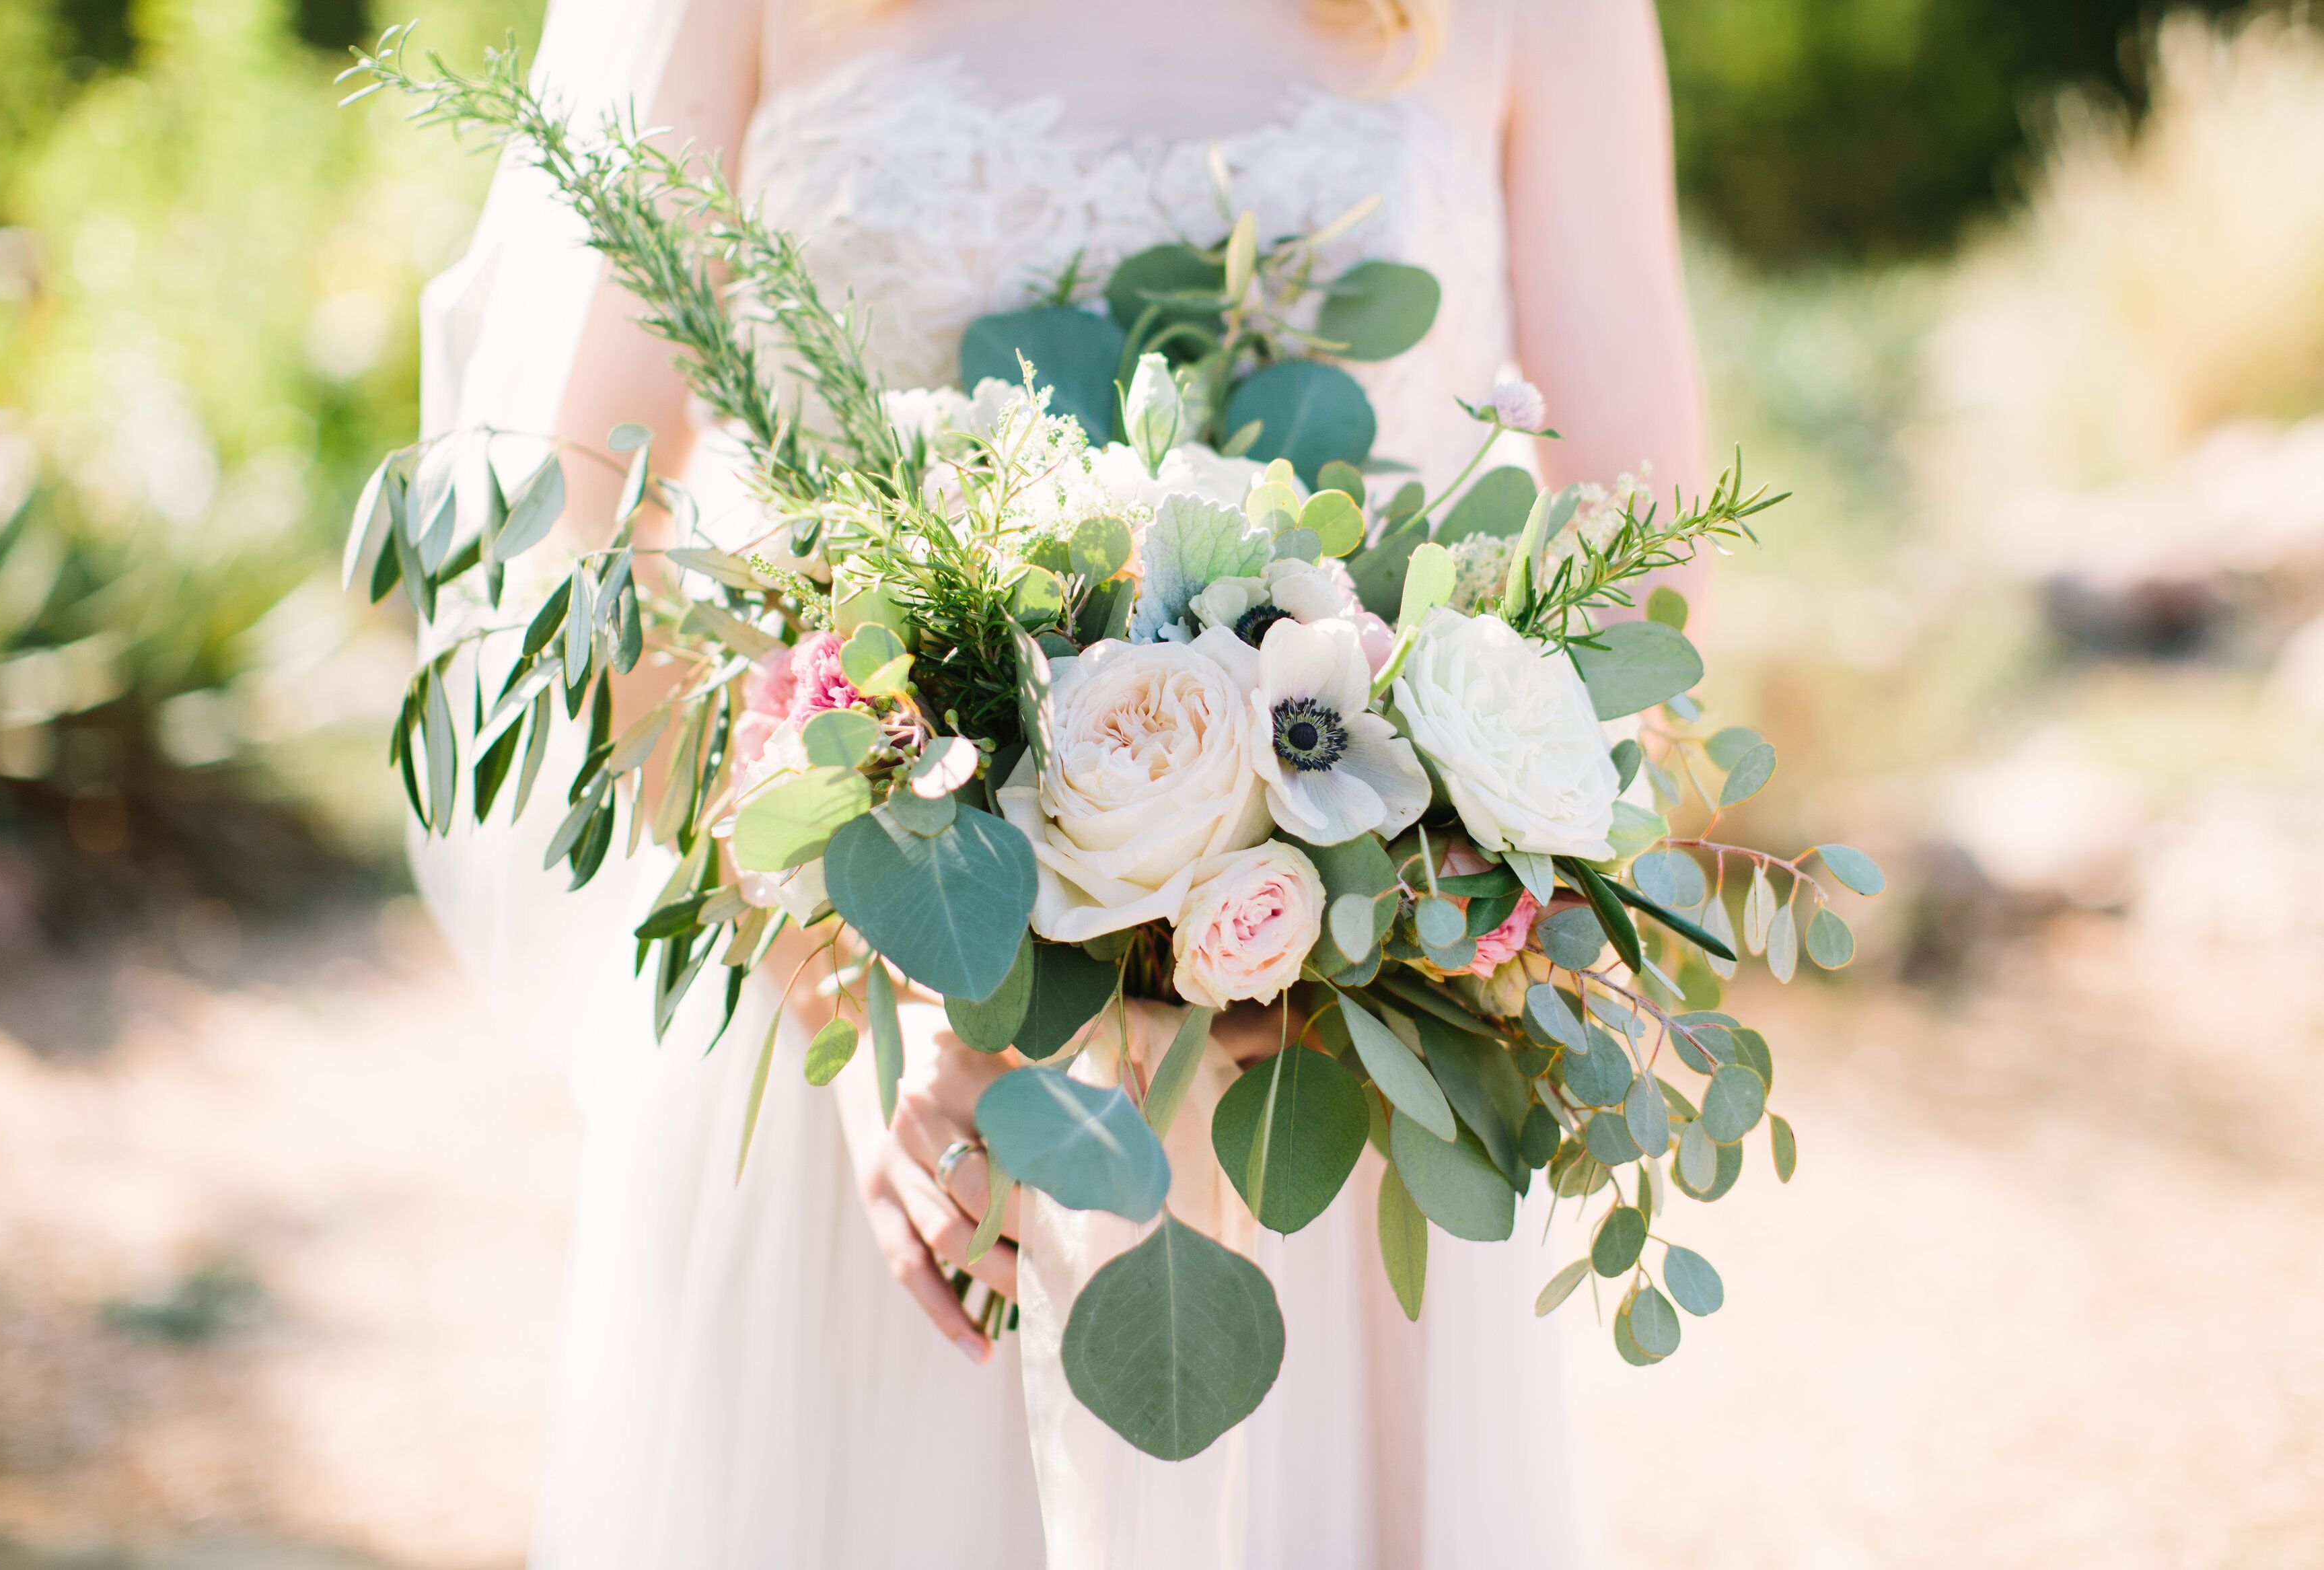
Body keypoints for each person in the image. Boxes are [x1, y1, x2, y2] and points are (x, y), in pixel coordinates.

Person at [410, 1, 1707, 1563]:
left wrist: (1390, 909)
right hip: (891, 1078)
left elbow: (1647, 548)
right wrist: (840, 973)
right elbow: (570, 507)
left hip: (1325, 1077)